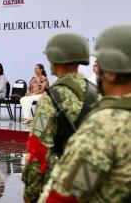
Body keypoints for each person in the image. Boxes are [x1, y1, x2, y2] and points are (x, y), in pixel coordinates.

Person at [38, 24, 131, 202]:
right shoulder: (94, 92)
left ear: (110, 72)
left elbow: (66, 194)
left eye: (100, 64)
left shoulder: (105, 125)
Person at [22, 32, 92, 202]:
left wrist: (30, 194)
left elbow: (37, 151)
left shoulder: (52, 98)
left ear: (56, 58)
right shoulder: (94, 91)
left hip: (60, 182)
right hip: (89, 182)